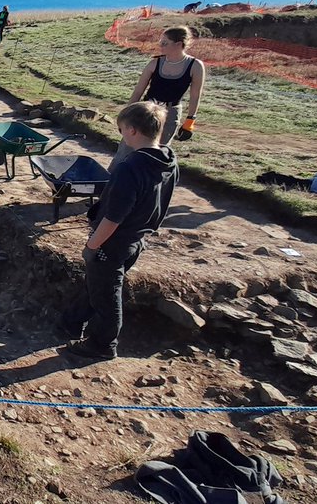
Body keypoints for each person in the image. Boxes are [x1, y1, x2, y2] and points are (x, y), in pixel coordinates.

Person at [59, 102, 179, 360]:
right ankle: (72, 322)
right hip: (137, 239)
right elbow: (164, 201)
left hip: (113, 242)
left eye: (122, 129)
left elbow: (113, 218)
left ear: (133, 130)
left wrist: (93, 246)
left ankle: (102, 345)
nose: (121, 134)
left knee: (107, 295)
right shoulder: (168, 160)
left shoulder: (130, 168)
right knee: (97, 283)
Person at [109, 25, 206, 173]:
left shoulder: (195, 66)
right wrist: (126, 115)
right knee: (125, 150)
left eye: (165, 43)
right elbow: (138, 90)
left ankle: (146, 189)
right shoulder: (155, 63)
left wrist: (189, 121)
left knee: (156, 153)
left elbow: (195, 95)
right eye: (161, 42)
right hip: (146, 111)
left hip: (170, 113)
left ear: (179, 44)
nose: (160, 46)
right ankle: (109, 185)